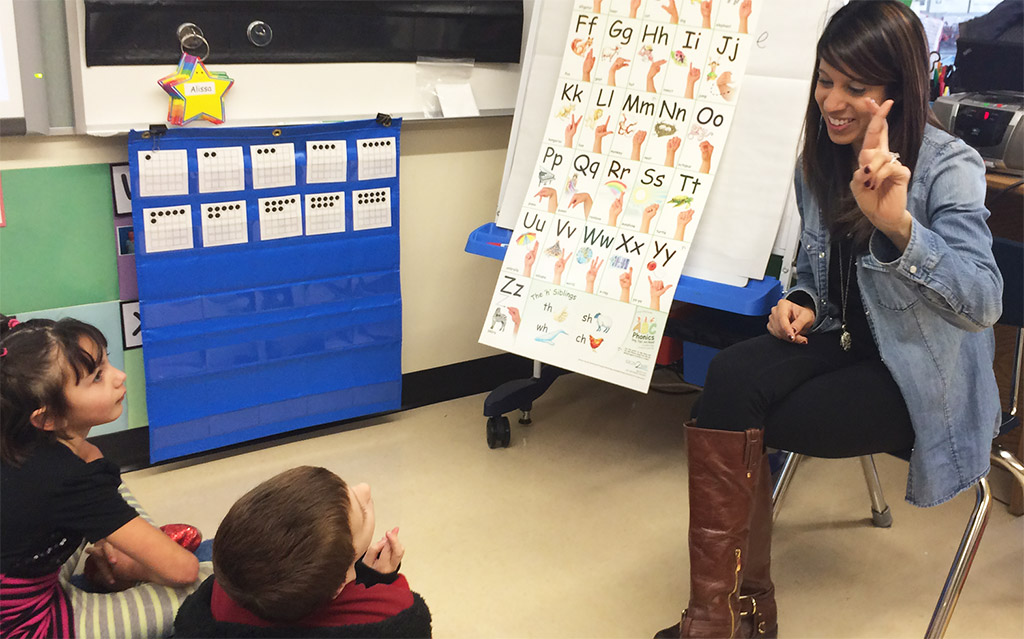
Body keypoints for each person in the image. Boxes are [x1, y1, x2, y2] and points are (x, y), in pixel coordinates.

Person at [655, 1, 1003, 637]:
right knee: (728, 381)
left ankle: (731, 617)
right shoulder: (818, 159)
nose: (833, 101)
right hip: (842, 340)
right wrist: (803, 302)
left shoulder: (949, 166)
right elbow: (818, 277)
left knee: (751, 421)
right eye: (825, 80)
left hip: (919, 374)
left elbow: (983, 302)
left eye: (856, 87)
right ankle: (723, 618)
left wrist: (898, 225)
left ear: (898, 90)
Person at [0, 315, 210, 638]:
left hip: (22, 571)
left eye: (107, 363)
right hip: (26, 624)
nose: (119, 376)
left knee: (93, 464)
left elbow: (92, 470)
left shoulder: (21, 436)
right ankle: (127, 557)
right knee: (203, 589)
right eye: (97, 377)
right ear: (47, 417)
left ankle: (121, 549)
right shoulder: (67, 480)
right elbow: (183, 570)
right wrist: (137, 565)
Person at [174, 466, 432, 638]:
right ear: (339, 584)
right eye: (362, 514)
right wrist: (381, 579)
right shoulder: (396, 614)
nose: (365, 487)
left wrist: (357, 569)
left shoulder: (219, 596)